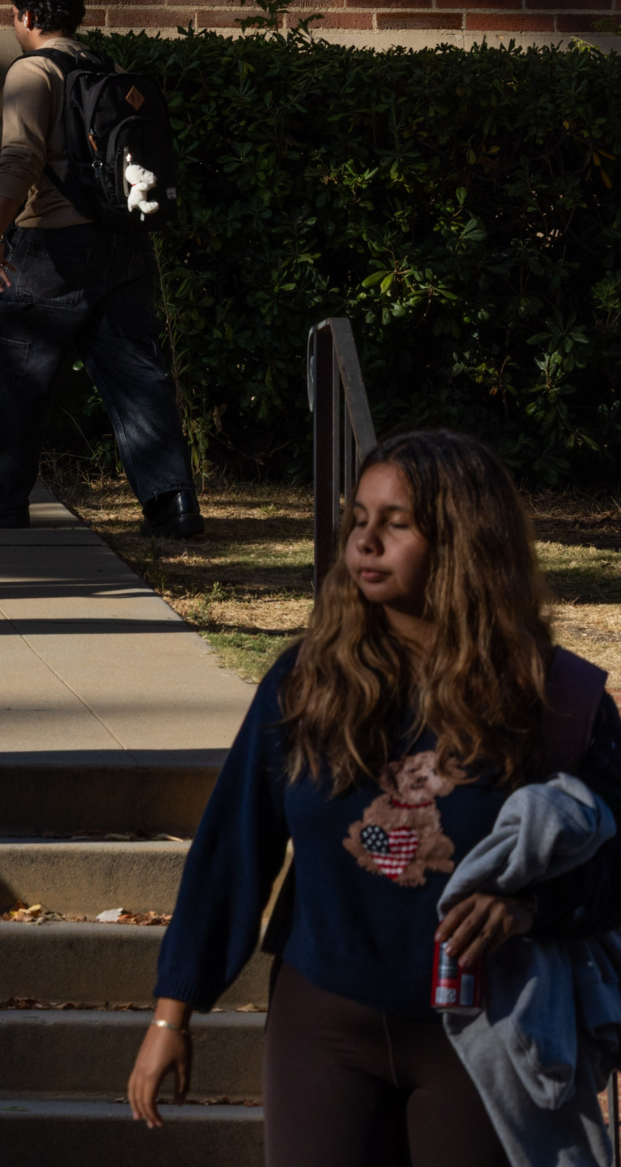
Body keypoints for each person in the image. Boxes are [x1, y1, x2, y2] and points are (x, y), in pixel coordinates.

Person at [132, 430, 621, 1161]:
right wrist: (171, 1016)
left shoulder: (557, 699)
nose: (366, 541)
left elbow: (613, 866)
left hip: (484, 1036)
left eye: (396, 523)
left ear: (463, 542)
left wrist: (531, 908)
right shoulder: (306, 681)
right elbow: (234, 848)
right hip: (322, 1022)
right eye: (359, 519)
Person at [0, 0, 201, 536]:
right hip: (124, 242)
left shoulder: (33, 72)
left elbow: (20, 161)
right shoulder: (108, 69)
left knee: (14, 378)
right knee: (138, 379)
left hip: (52, 250)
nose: (14, 25)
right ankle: (173, 505)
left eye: (14, 16)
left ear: (27, 17)